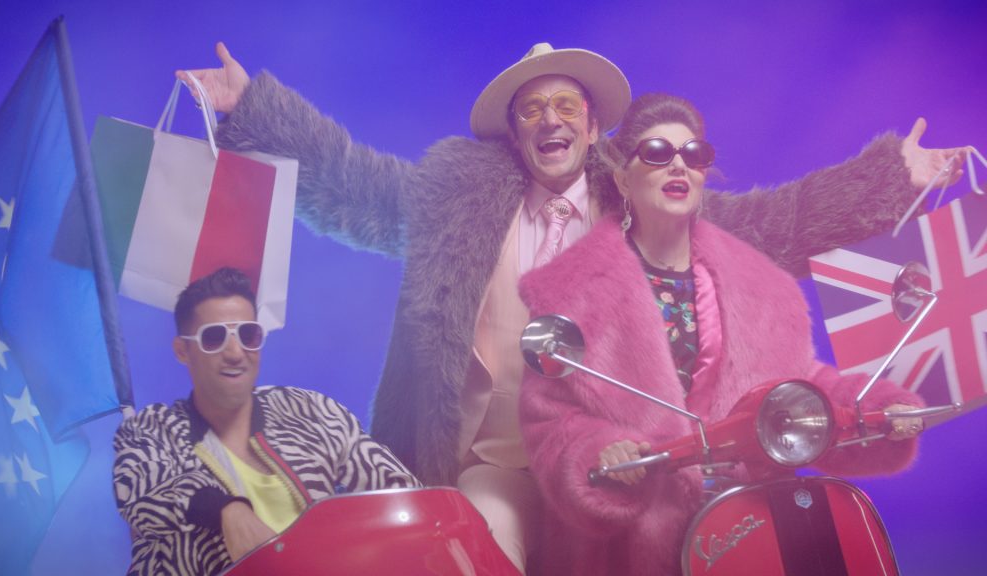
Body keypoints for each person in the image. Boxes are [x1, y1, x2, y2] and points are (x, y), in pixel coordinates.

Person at [178, 42, 963, 573]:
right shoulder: (458, 203)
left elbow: (773, 223)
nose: (549, 120)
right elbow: (355, 185)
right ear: (515, 131)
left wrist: (891, 177)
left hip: (632, 464)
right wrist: (251, 111)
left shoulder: (647, 195)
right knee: (478, 554)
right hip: (496, 463)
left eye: (565, 106)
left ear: (591, 126)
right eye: (532, 110)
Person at [517, 93, 927, 576]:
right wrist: (603, 449)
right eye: (656, 152)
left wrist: (881, 408)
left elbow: (801, 384)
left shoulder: (761, 284)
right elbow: (550, 423)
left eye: (694, 154)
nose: (678, 165)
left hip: (753, 529)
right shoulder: (569, 293)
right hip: (630, 547)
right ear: (623, 179)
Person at [112, 267, 419, 576]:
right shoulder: (150, 431)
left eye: (248, 335)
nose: (235, 352)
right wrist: (225, 510)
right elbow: (140, 490)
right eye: (214, 337)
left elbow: (407, 495)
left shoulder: (307, 411)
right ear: (183, 351)